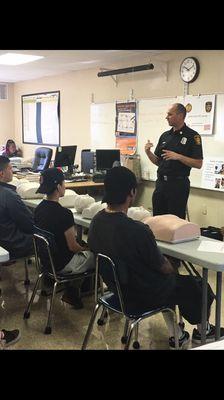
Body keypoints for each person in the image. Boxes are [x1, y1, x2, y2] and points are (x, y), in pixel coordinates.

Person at [88, 166, 224, 349]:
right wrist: (173, 262)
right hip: (143, 293)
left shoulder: (96, 222)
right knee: (198, 285)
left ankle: (177, 334)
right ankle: (204, 331)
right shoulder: (138, 230)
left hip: (117, 289)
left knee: (172, 284)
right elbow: (164, 268)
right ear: (132, 193)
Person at [34, 168, 95, 309]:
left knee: (83, 249)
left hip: (46, 262)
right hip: (62, 265)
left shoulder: (39, 208)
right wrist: (87, 249)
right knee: (96, 256)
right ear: (58, 187)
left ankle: (72, 289)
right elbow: (73, 247)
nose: (65, 187)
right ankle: (74, 292)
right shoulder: (64, 214)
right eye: (64, 183)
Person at [145, 103, 203, 219]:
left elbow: (198, 163)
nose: (166, 117)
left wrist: (179, 157)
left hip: (178, 185)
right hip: (161, 184)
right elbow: (158, 161)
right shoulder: (165, 136)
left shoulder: (193, 136)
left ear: (180, 116)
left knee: (174, 221)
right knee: (157, 220)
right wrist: (148, 152)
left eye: (170, 114)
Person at [0, 156, 34, 259]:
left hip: (4, 239)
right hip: (13, 243)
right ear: (1, 173)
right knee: (53, 237)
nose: (13, 172)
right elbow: (28, 224)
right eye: (10, 169)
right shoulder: (9, 195)